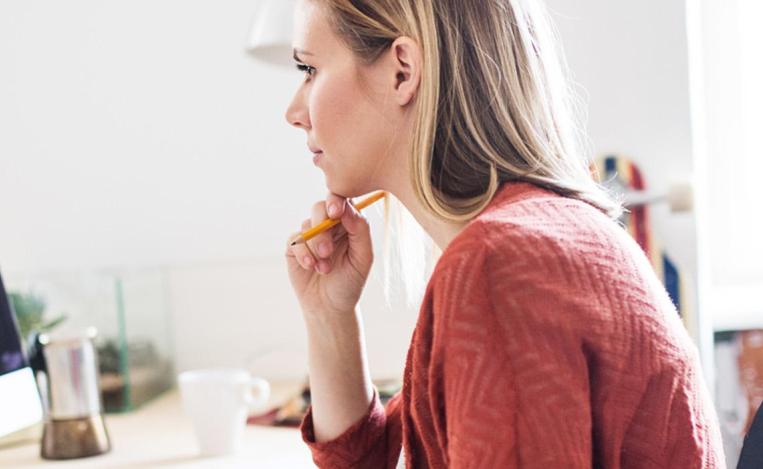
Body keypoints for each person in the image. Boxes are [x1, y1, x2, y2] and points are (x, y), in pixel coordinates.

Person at [283, 0, 725, 467]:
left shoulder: (501, 267)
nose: (295, 112)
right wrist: (329, 315)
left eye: (309, 68)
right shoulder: (534, 240)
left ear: (402, 72)